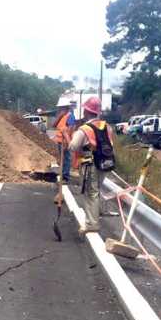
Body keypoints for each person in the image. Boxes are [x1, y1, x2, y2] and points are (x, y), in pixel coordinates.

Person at [69, 96, 114, 234]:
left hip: (91, 165)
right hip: (105, 163)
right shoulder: (106, 126)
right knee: (96, 190)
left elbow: (73, 147)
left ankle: (92, 224)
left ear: (86, 111)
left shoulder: (85, 129)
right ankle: (96, 215)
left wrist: (70, 137)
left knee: (91, 193)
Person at [52, 96, 75, 183]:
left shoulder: (70, 116)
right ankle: (63, 174)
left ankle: (65, 177)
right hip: (59, 141)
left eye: (60, 107)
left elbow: (70, 129)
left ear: (65, 107)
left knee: (66, 159)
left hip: (65, 141)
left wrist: (66, 143)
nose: (59, 109)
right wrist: (60, 116)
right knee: (62, 159)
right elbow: (54, 125)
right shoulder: (61, 116)